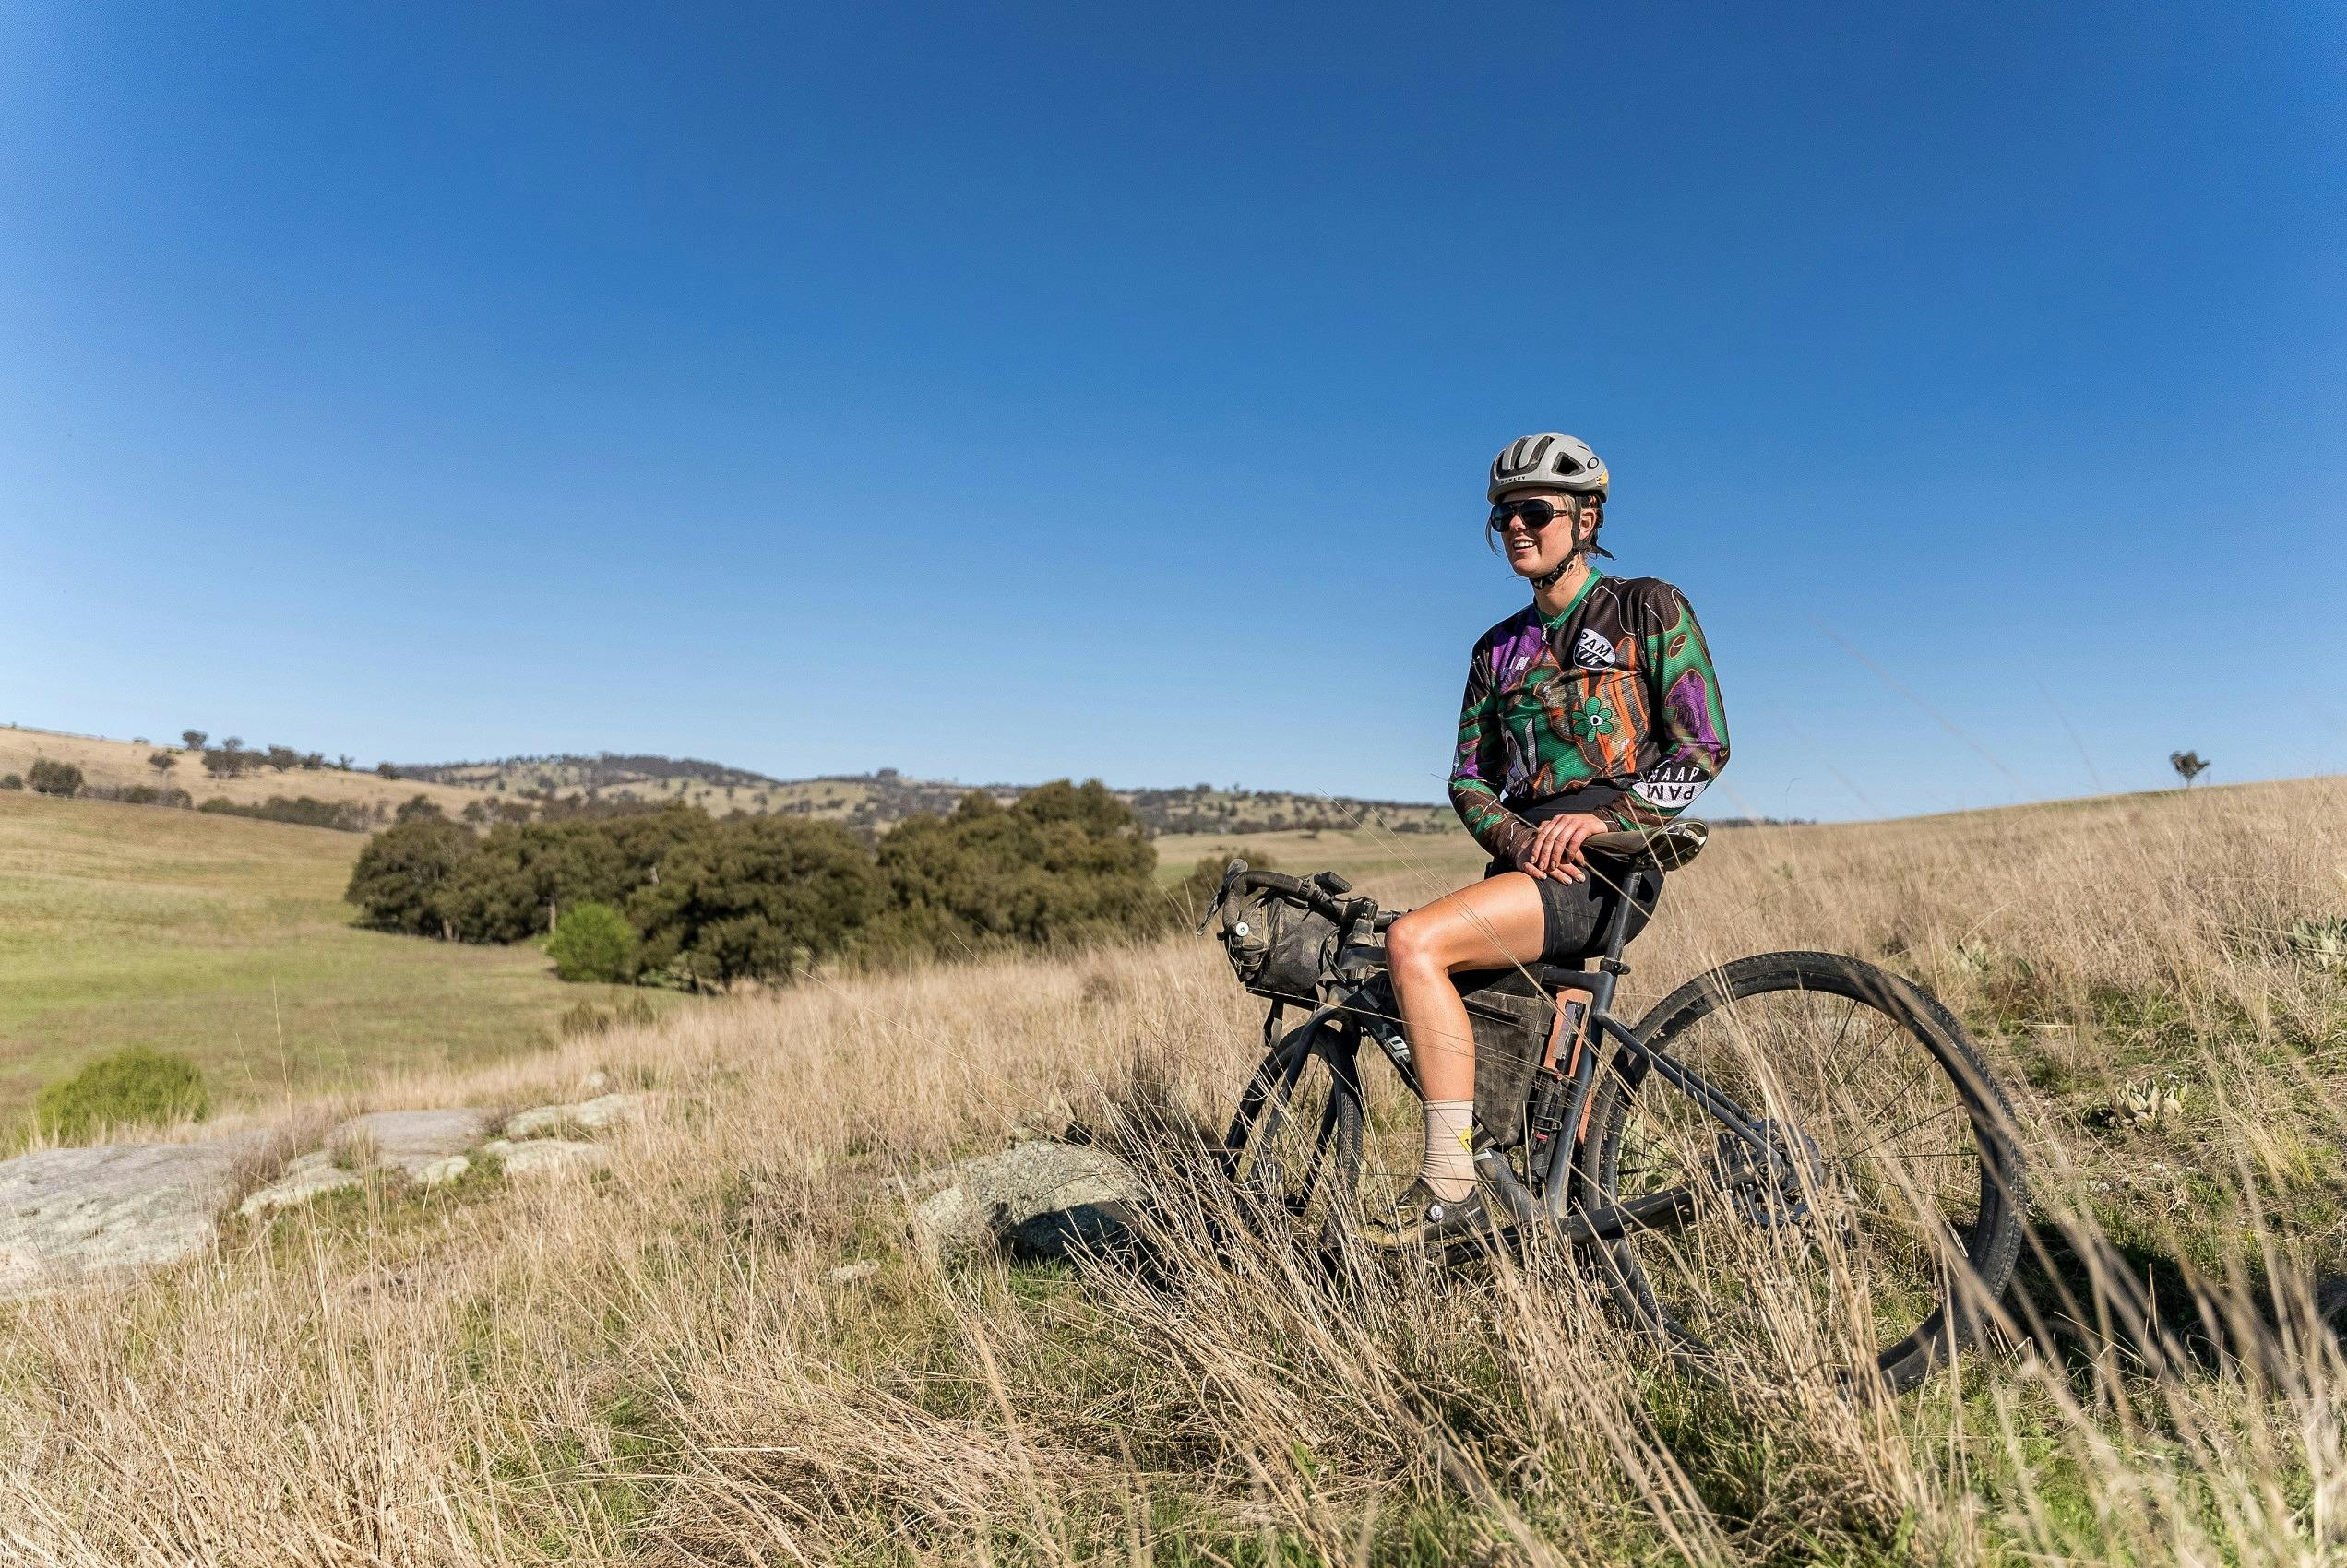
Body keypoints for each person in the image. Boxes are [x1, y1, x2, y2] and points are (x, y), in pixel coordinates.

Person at [1362, 433, 1731, 1246]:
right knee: (1542, 1104)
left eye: (1535, 511)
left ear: (1586, 517)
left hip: (1608, 868)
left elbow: (1702, 744)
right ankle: (1567, 1236)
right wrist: (1519, 838)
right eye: (1504, 518)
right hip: (1526, 868)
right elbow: (1467, 777)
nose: (1517, 528)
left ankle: (1447, 1185)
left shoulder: (1646, 606)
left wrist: (1607, 821)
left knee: (1414, 943)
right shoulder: (1495, 651)